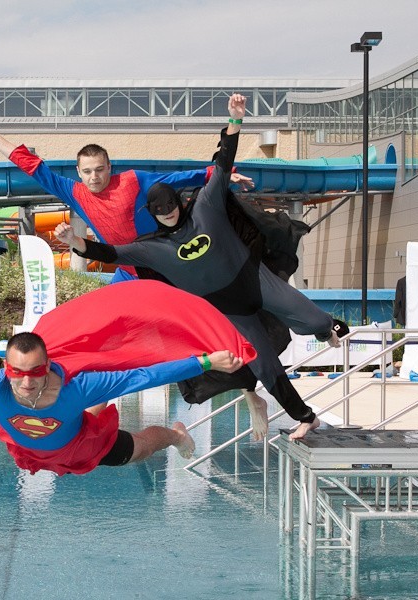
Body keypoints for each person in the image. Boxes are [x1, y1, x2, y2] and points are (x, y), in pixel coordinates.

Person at [55, 93, 343, 441]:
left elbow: (222, 163)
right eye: (160, 211)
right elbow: (110, 252)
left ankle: (327, 328)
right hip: (231, 312)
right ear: (154, 216)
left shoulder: (206, 207)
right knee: (264, 365)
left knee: (313, 321)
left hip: (256, 282)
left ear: (178, 201)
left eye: (171, 205)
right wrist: (75, 242)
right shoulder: (152, 249)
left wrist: (235, 121)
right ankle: (305, 416)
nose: (168, 212)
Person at [0, 104, 266, 436]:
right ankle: (92, 412)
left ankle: (252, 393)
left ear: (110, 168)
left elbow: (177, 179)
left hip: (162, 271)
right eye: (88, 171)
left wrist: (220, 174)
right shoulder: (75, 192)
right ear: (79, 173)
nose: (95, 177)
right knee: (102, 336)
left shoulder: (132, 182)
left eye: (100, 170)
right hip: (127, 275)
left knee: (205, 329)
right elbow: (32, 165)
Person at [0, 280, 254, 476]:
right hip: (35, 448)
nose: (29, 382)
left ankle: (175, 435)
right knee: (89, 401)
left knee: (133, 451)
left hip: (83, 444)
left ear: (48, 365)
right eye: (19, 374)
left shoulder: (76, 387)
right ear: (6, 368)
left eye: (37, 372)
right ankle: (102, 411)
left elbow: (145, 375)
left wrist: (204, 362)